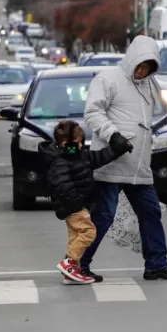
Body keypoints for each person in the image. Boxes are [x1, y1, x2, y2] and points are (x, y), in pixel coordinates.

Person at [80, 35, 167, 282]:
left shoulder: (149, 85)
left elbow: (157, 115)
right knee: (103, 217)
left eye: (147, 67)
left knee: (151, 212)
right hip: (111, 162)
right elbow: (92, 112)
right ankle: (78, 263)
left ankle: (157, 264)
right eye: (139, 65)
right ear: (131, 60)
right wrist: (113, 135)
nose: (141, 71)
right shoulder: (108, 79)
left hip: (138, 165)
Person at [42, 119, 132, 284]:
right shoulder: (59, 161)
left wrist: (118, 148)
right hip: (73, 207)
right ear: (65, 144)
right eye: (77, 143)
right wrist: (78, 205)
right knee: (89, 232)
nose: (81, 146)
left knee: (75, 237)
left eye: (82, 142)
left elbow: (100, 157)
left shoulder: (79, 155)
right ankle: (69, 263)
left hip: (77, 205)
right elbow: (62, 186)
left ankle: (70, 273)